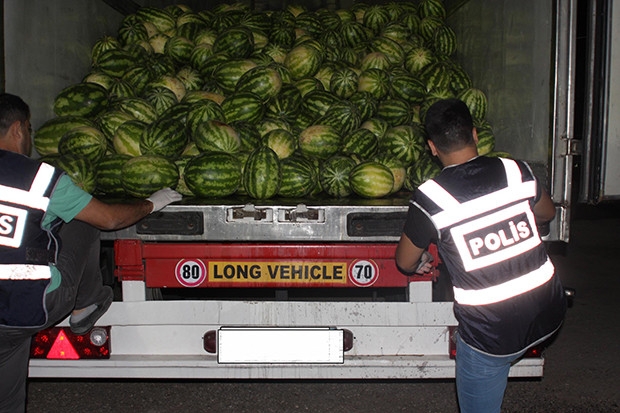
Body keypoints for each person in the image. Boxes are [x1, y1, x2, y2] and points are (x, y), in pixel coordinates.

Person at [0, 93, 182, 412]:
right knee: (83, 220)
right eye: (28, 128)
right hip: (26, 306)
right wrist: (152, 202)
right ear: (17, 129)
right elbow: (110, 219)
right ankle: (85, 304)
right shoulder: (39, 178)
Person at [395, 98, 567, 413]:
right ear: (475, 134)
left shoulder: (431, 198)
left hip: (494, 335)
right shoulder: (516, 170)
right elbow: (548, 212)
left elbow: (404, 262)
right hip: (550, 312)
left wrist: (423, 262)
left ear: (433, 147)